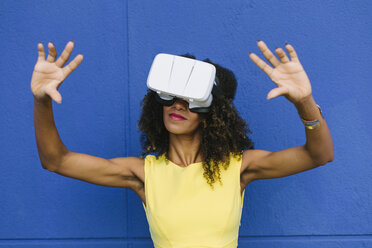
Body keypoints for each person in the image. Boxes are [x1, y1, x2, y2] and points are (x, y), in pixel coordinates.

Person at [31, 40, 334, 248]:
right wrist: (42, 100)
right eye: (171, 96)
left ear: (212, 113)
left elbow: (319, 154)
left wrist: (304, 101)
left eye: (193, 100)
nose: (178, 105)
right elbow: (56, 160)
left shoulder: (239, 167)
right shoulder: (144, 173)